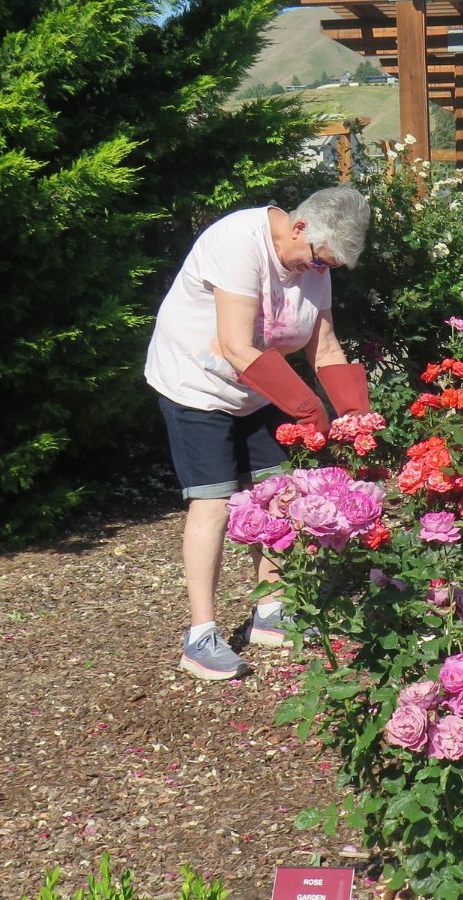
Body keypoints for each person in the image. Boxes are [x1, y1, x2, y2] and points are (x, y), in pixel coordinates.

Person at [145, 186, 373, 680]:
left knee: (276, 494)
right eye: (318, 262)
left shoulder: (314, 260)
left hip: (261, 385)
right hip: (197, 383)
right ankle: (200, 636)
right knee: (214, 502)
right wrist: (308, 409)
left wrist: (356, 417)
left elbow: (325, 345)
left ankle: (270, 613)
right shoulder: (238, 242)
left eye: (329, 268)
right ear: (299, 228)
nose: (319, 272)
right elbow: (233, 344)